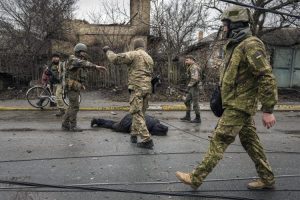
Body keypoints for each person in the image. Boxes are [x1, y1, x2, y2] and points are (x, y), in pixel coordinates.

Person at [175, 6, 278, 190]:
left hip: (240, 105)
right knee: (251, 142)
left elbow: (266, 75)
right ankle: (267, 178)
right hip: (235, 103)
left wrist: (268, 109)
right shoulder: (235, 46)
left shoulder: (251, 44)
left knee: (219, 139)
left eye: (225, 24)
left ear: (236, 24)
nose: (223, 28)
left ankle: (196, 178)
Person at [103, 38, 154, 149]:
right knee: (140, 113)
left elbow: (115, 59)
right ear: (143, 46)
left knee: (136, 113)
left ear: (135, 46)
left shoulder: (134, 54)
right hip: (147, 89)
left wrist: (108, 51)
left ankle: (147, 139)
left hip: (137, 88)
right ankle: (134, 134)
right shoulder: (149, 58)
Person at [62, 43, 106, 132]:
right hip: (71, 87)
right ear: (78, 52)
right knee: (75, 107)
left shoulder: (78, 61)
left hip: (74, 87)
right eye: (83, 52)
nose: (85, 54)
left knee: (71, 106)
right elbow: (82, 63)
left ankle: (65, 124)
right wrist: (95, 66)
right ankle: (73, 126)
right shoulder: (73, 59)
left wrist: (81, 84)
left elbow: (77, 75)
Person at [91, 114, 168, 136]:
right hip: (127, 123)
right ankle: (97, 121)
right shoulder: (147, 128)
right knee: (112, 125)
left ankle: (98, 121)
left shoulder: (155, 120)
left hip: (131, 116)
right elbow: (132, 128)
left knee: (114, 123)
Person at [180, 55, 201, 123]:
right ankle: (187, 116)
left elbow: (195, 79)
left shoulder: (194, 67)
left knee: (195, 103)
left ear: (192, 60)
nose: (185, 61)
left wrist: (188, 87)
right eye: (185, 60)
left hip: (195, 87)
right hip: (192, 87)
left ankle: (198, 118)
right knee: (187, 101)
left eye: (187, 60)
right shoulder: (190, 67)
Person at [49, 52, 65, 116]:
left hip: (60, 82)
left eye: (57, 57)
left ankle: (62, 110)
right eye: (54, 57)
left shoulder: (61, 64)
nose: (55, 58)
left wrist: (61, 78)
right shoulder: (51, 64)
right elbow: (49, 72)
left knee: (58, 96)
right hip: (54, 82)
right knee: (56, 96)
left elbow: (64, 73)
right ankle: (61, 109)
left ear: (59, 58)